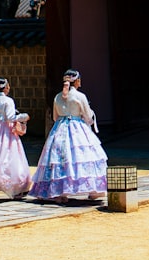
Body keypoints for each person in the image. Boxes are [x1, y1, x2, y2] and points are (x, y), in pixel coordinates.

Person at [29, 68, 108, 204]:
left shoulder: (57, 97)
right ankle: (94, 190)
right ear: (76, 80)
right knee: (82, 157)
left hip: (59, 128)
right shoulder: (80, 96)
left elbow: (55, 117)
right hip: (77, 127)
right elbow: (88, 116)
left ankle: (58, 192)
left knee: (58, 159)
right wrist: (88, 120)